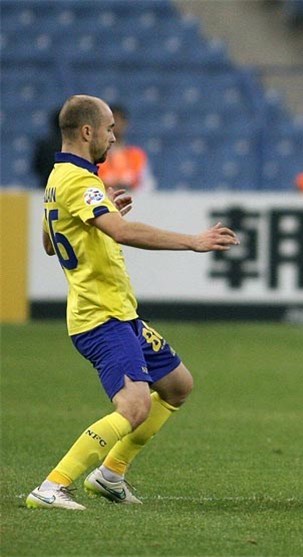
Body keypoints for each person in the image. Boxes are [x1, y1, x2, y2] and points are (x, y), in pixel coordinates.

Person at [26, 94, 239, 511]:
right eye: (109, 129)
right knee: (135, 405)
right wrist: (192, 241)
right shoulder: (79, 181)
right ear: (87, 131)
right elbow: (121, 234)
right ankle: (52, 486)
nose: (113, 136)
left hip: (120, 313)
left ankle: (110, 474)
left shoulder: (58, 178)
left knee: (177, 386)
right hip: (100, 317)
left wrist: (104, 213)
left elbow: (51, 243)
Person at [97, 104, 157, 193]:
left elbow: (148, 185)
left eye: (119, 121)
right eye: (112, 122)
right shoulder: (95, 156)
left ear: (125, 124)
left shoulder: (137, 155)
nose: (116, 125)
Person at [32, 108, 62, 188]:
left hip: (47, 187)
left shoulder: (44, 144)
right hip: (69, 188)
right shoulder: (76, 145)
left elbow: (36, 167)